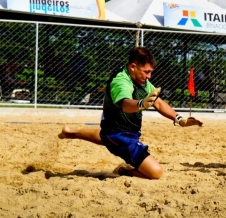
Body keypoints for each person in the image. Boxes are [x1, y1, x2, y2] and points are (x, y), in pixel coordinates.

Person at [58, 47, 203, 179]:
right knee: (155, 172)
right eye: (147, 72)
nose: (149, 76)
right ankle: (124, 171)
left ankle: (72, 132)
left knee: (106, 138)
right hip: (120, 135)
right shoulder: (121, 81)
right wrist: (141, 104)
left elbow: (157, 102)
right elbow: (126, 104)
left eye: (151, 72)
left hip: (118, 131)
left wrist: (179, 119)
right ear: (133, 67)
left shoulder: (141, 80)